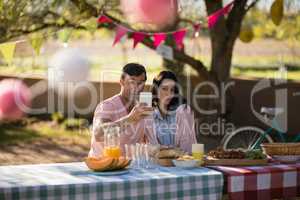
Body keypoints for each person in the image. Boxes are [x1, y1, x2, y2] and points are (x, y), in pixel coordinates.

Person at [89, 63, 154, 157]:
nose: (137, 87)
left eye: (140, 83)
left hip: (129, 167)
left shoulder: (142, 109)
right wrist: (130, 119)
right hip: (103, 166)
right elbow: (99, 134)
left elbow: (147, 143)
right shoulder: (107, 106)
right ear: (121, 82)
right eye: (132, 82)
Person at [150, 71, 197, 153]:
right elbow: (146, 147)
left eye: (172, 90)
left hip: (180, 163)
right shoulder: (148, 114)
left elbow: (188, 147)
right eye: (164, 89)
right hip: (157, 163)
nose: (169, 94)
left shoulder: (182, 111)